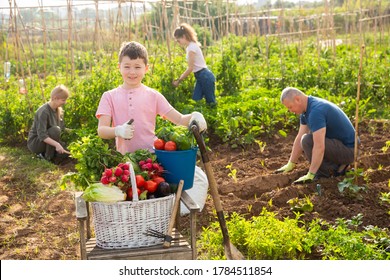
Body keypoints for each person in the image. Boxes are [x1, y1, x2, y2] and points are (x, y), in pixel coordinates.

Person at [95, 41, 207, 155]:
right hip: (126, 160)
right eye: (127, 67)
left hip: (152, 158)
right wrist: (118, 130)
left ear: (146, 69)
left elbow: (179, 119)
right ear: (119, 67)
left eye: (137, 67)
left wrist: (195, 116)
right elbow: (102, 130)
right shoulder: (109, 96)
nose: (132, 72)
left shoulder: (153, 95)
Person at [275, 87, 356, 184]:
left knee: (308, 141)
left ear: (297, 99)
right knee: (305, 139)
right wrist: (291, 163)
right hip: (342, 147)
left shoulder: (315, 112)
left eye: (290, 107)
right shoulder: (307, 110)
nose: (290, 111)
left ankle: (328, 172)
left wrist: (311, 174)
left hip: (351, 151)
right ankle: (337, 166)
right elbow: (300, 136)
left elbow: (319, 146)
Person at [172, 23, 216, 106]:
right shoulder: (191, 46)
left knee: (211, 103)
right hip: (201, 76)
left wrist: (179, 80)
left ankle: (213, 118)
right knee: (196, 100)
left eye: (178, 40)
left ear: (184, 37)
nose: (178, 43)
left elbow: (190, 68)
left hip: (205, 76)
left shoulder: (191, 48)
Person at [27, 85, 71, 163]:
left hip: (48, 140)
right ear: (55, 98)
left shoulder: (58, 110)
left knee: (66, 152)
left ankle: (52, 154)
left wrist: (74, 132)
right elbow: (42, 135)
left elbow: (62, 129)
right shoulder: (44, 111)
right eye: (63, 100)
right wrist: (57, 144)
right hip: (36, 143)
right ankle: (46, 157)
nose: (65, 102)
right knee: (55, 130)